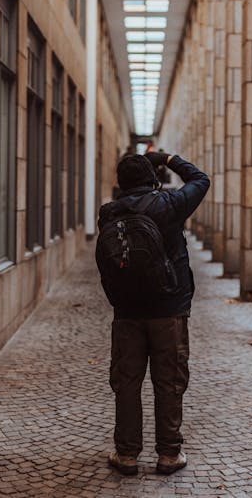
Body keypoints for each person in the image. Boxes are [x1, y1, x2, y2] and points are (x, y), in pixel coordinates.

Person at [97, 151, 210, 476]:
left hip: (127, 311)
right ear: (153, 179)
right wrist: (170, 158)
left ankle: (127, 454)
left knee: (127, 382)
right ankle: (169, 455)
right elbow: (201, 179)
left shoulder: (108, 213)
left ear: (120, 183)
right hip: (169, 309)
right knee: (170, 381)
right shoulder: (169, 204)